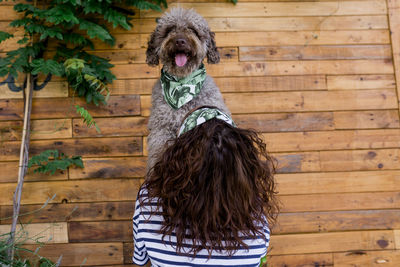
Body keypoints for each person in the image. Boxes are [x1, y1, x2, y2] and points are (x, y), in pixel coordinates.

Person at [133, 107, 279, 266]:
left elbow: (141, 259)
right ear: (240, 165)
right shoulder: (254, 216)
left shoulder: (148, 200)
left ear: (177, 157)